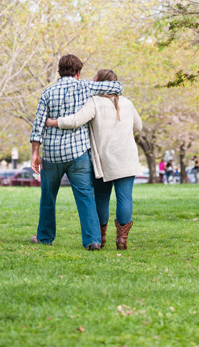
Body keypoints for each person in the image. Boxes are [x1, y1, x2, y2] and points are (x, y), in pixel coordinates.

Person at [29, 54, 122, 250]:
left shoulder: (47, 93)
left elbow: (38, 125)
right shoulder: (86, 86)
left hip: (52, 154)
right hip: (78, 153)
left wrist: (35, 153)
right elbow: (118, 87)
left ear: (59, 72)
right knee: (86, 197)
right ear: (78, 72)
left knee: (48, 197)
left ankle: (45, 237)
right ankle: (93, 240)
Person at [46, 69, 142, 250]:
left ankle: (101, 237)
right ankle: (121, 239)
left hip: (104, 159)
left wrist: (53, 122)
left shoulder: (94, 102)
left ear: (99, 81)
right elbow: (139, 126)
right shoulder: (127, 103)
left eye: (95, 78)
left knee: (102, 197)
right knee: (124, 197)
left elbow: (76, 120)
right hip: (127, 157)